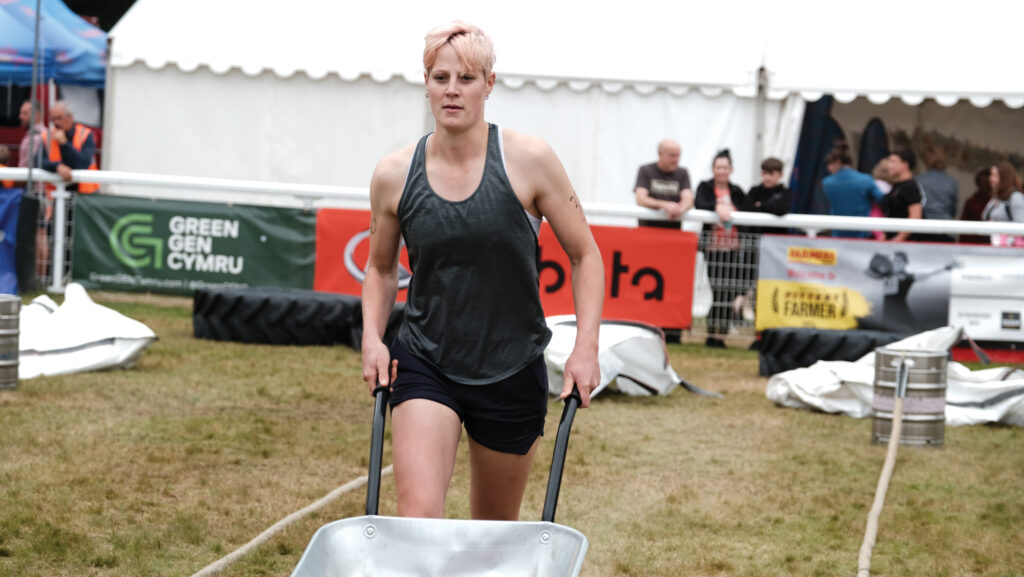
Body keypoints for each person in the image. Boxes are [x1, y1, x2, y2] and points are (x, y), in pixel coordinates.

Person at [360, 21, 604, 521]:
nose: (452, 90)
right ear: (426, 82)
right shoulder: (393, 173)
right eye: (440, 77)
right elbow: (381, 269)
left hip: (510, 366)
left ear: (489, 84)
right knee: (417, 523)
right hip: (426, 360)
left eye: (467, 78)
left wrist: (586, 347)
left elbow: (586, 255)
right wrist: (371, 337)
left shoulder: (529, 159)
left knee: (491, 536)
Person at [694, 149, 745, 348]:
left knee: (728, 292)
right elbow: (701, 203)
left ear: (730, 169)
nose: (721, 171)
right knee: (717, 290)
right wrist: (717, 207)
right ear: (713, 169)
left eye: (724, 167)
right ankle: (712, 332)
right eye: (718, 167)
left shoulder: (737, 190)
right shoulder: (705, 187)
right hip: (713, 248)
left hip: (733, 248)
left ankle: (721, 335)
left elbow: (746, 208)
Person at [821, 141, 884, 238]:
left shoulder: (827, 183)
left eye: (830, 164)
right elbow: (882, 200)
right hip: (862, 234)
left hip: (838, 233)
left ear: (837, 162)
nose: (828, 168)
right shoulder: (866, 179)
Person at [40, 101, 99, 193]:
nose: (56, 123)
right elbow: (39, 161)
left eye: (59, 118)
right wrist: (57, 167)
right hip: (56, 193)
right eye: (53, 119)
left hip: (84, 195)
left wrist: (64, 144)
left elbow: (83, 163)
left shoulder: (85, 134)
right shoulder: (46, 136)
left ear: (70, 117)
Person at [634, 139, 693, 229]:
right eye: (672, 156)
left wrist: (680, 209)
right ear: (660, 154)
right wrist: (665, 205)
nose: (676, 159)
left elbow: (688, 199)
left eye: (678, 155)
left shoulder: (683, 173)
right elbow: (641, 199)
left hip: (673, 232)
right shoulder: (645, 170)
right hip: (647, 230)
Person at [915, 143, 958, 242]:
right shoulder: (952, 182)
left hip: (924, 229)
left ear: (926, 161)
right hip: (947, 229)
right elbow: (953, 209)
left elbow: (918, 206)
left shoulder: (919, 180)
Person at [879, 148, 923, 242]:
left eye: (893, 161)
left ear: (905, 164)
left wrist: (899, 238)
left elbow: (915, 216)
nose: (888, 165)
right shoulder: (898, 186)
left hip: (905, 244)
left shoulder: (910, 186)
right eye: (889, 161)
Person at [739, 157, 792, 234]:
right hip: (754, 237)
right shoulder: (754, 191)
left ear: (780, 175)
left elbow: (782, 209)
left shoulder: (785, 192)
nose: (767, 177)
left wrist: (761, 205)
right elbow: (745, 208)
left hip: (775, 237)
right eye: (764, 173)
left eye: (771, 174)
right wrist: (770, 208)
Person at [981, 161, 1024, 247]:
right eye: (991, 175)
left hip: (1009, 251)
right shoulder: (996, 198)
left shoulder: (1015, 197)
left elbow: (1021, 225)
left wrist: (997, 225)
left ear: (1005, 178)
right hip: (993, 247)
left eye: (995, 175)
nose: (990, 178)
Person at [959, 168, 994, 244]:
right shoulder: (971, 202)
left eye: (986, 181)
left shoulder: (996, 201)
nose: (983, 185)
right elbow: (964, 224)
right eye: (981, 182)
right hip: (973, 242)